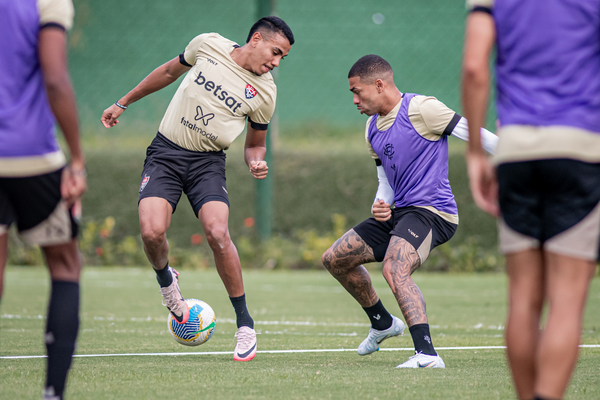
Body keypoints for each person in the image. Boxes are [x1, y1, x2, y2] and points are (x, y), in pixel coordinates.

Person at [101, 16, 294, 362]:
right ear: (257, 39)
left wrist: (255, 161)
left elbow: (255, 143)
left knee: (218, 233)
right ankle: (167, 284)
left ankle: (245, 325)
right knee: (151, 232)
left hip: (208, 164)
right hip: (165, 155)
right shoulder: (208, 44)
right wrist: (123, 101)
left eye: (283, 58)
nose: (277, 62)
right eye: (276, 52)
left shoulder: (266, 92)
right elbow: (167, 72)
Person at [322, 54, 497, 368]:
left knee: (394, 268)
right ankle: (382, 323)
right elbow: (385, 180)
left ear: (379, 85)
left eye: (356, 91)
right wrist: (381, 201)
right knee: (335, 259)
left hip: (433, 212)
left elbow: (475, 134)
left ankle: (427, 355)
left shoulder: (421, 109)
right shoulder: (371, 129)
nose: (354, 100)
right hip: (399, 212)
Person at [462, 1, 600, 399]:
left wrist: (475, 153)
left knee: (523, 299)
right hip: (581, 147)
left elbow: (474, 67)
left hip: (517, 149)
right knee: (567, 300)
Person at [0, 0, 87, 399]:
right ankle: (53, 392)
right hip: (30, 155)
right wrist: (77, 160)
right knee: (65, 265)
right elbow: (55, 78)